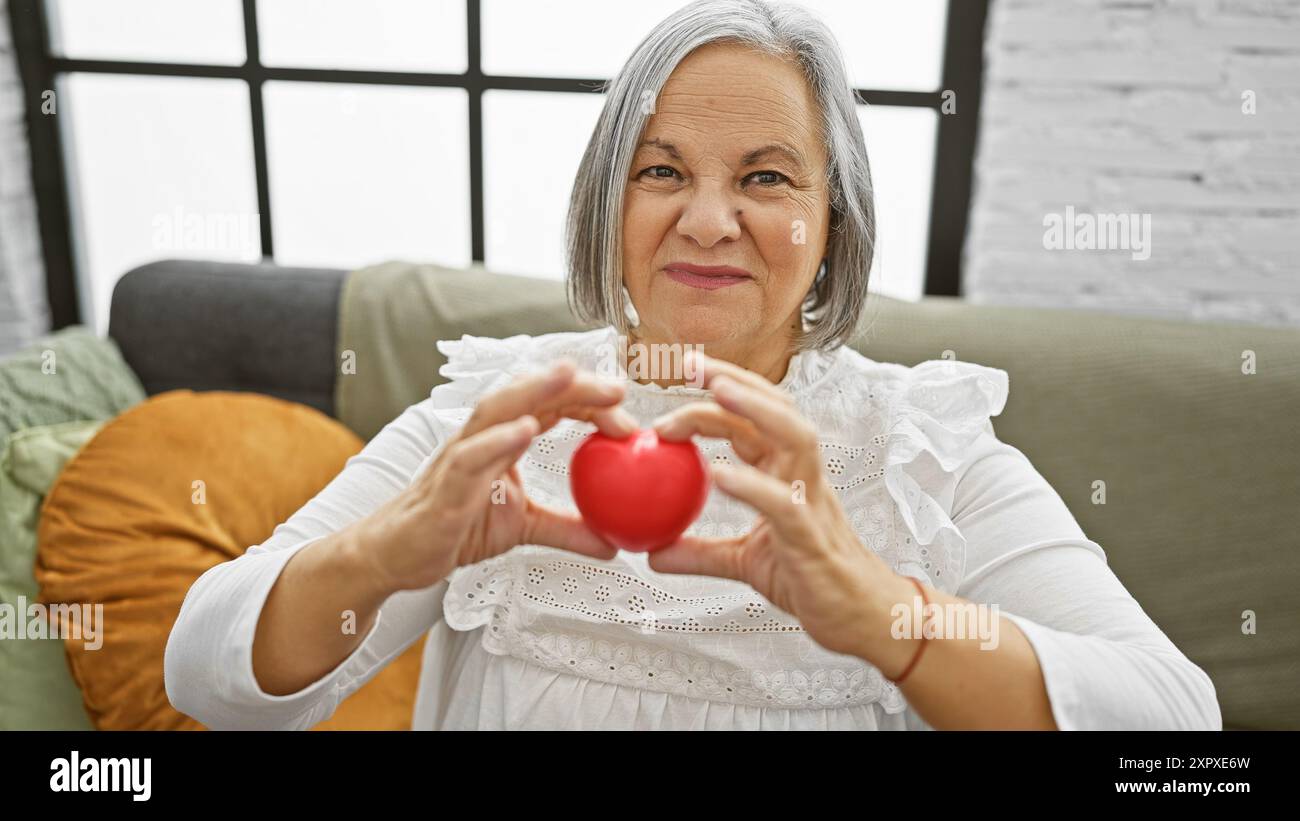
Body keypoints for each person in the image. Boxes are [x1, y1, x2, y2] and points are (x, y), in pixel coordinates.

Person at [164, 0, 1221, 730]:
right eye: (660, 169)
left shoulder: (920, 457)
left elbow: (1177, 731)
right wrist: (391, 549)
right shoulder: (496, 423)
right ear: (606, 207)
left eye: (765, 177)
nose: (708, 220)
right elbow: (205, 672)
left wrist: (884, 613)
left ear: (829, 222)